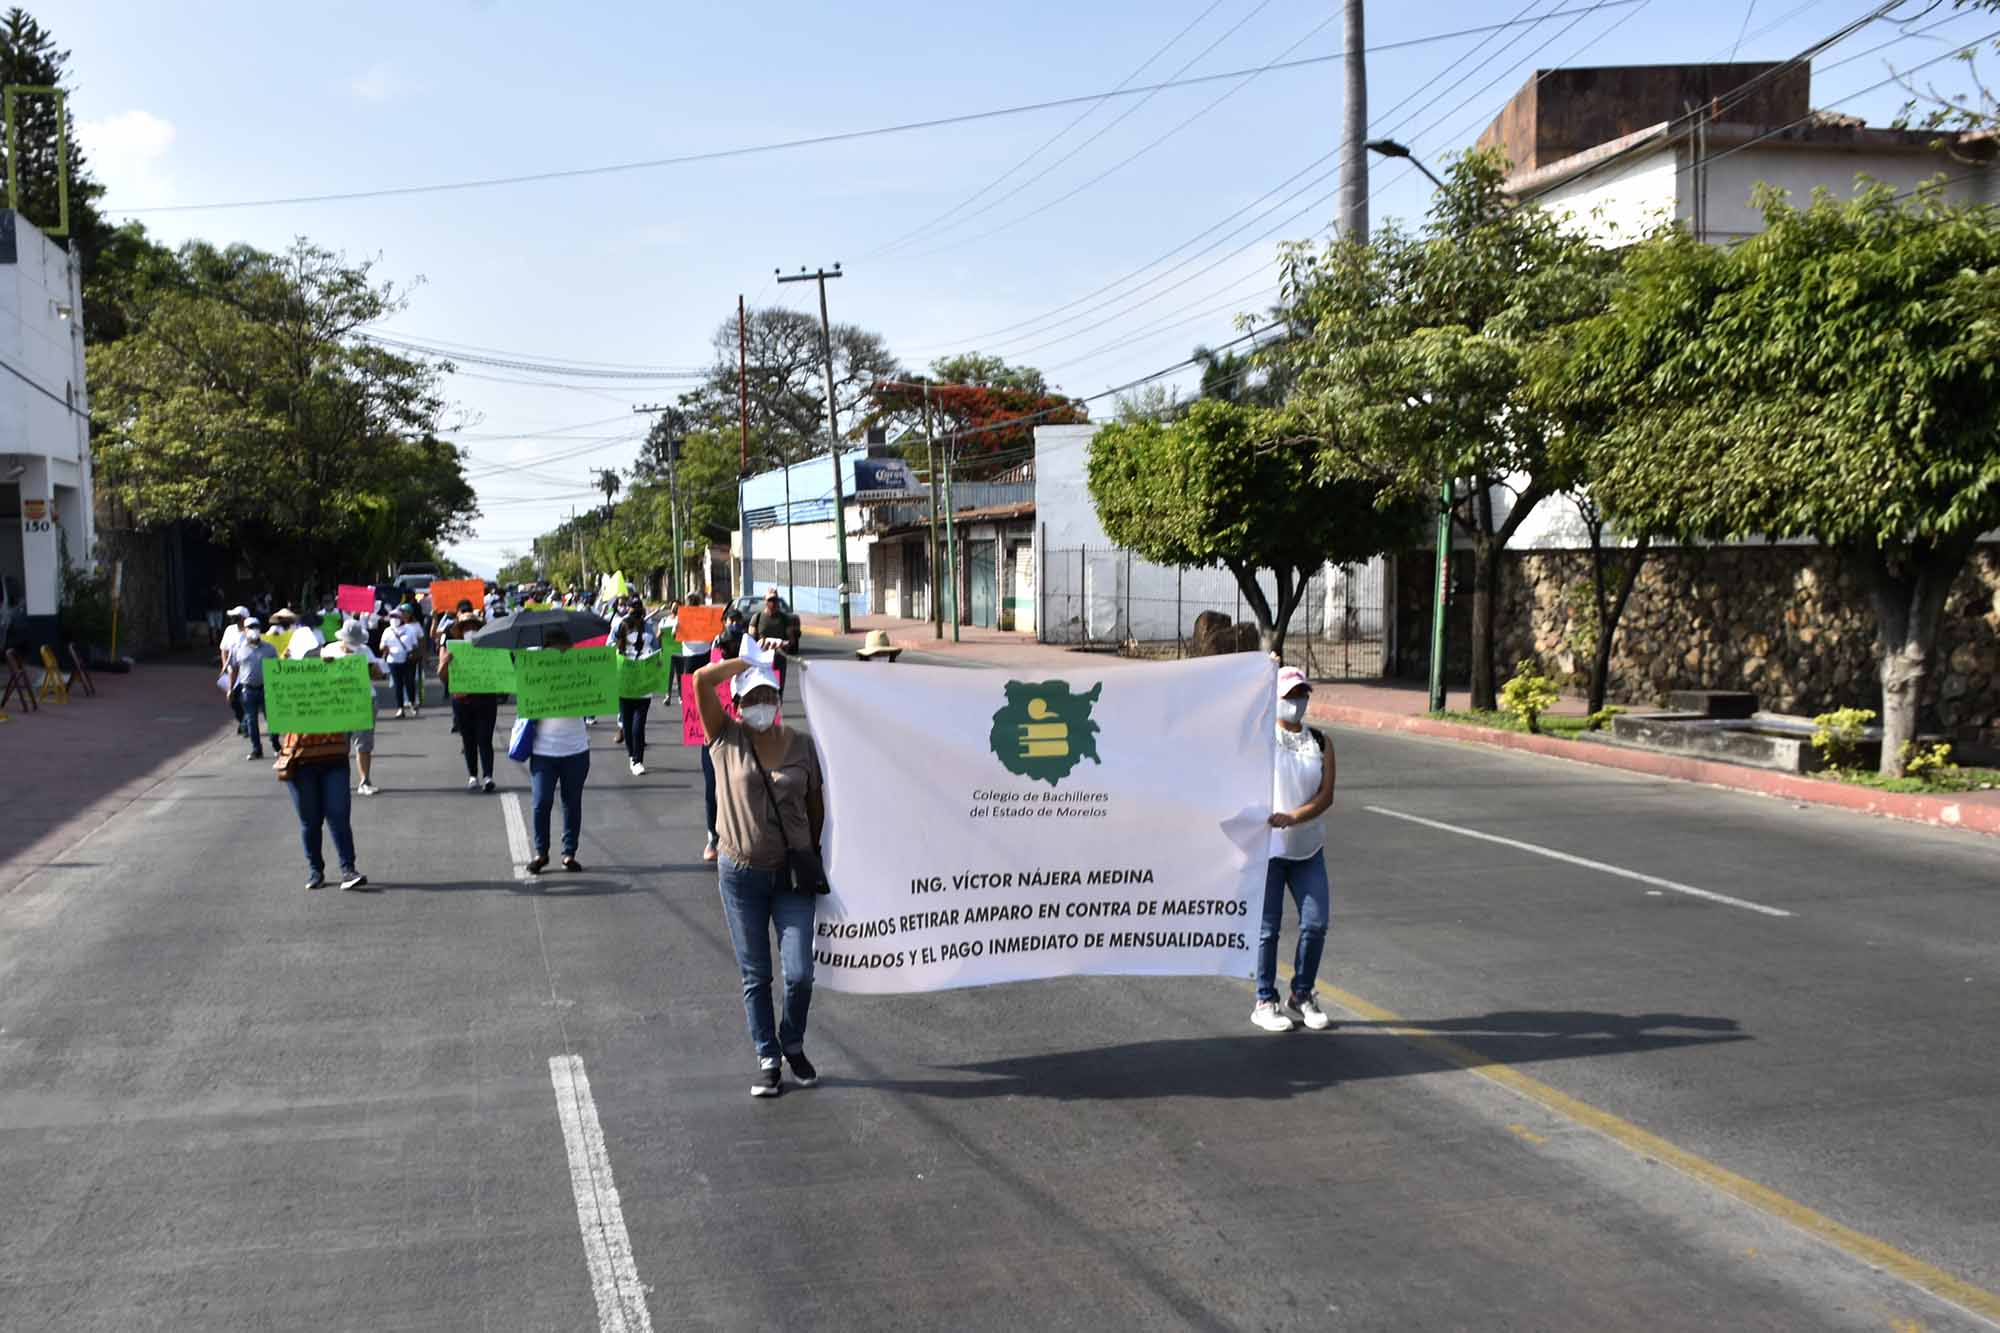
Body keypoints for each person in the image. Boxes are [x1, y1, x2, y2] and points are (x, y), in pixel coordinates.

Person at [693, 639, 825, 1099]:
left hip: (791, 877)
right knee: (757, 975)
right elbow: (699, 680)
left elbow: (816, 808)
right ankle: (768, 1057)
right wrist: (745, 662)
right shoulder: (724, 737)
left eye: (769, 696)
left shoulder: (803, 745)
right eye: (752, 698)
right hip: (741, 873)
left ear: (779, 699)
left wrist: (810, 856)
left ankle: (792, 1040)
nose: (762, 706)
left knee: (800, 973)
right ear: (738, 703)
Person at [1253, 665, 1338, 1034]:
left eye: (1302, 694)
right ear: (1276, 700)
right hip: (1269, 853)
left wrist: (1294, 816)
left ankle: (1301, 994)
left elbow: (1326, 796)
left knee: (1315, 924)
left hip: (1307, 850)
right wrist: (1261, 671)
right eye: (1290, 696)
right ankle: (1264, 1000)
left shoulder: (1320, 742)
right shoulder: (1261, 737)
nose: (1297, 702)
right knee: (1267, 931)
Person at [273, 694, 373, 893]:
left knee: (339, 816)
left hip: (334, 756)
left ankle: (348, 870)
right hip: (300, 759)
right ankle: (315, 871)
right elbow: (277, 703)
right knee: (310, 821)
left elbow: (360, 688)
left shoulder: (337, 666)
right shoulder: (289, 668)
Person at [525, 630, 591, 875]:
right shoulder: (535, 673)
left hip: (575, 749)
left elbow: (598, 695)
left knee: (571, 803)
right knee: (541, 802)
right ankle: (541, 853)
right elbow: (526, 702)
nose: (559, 652)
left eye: (563, 647)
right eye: (553, 648)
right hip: (543, 750)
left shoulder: (582, 671)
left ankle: (569, 853)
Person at [322, 619, 389, 796]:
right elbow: (318, 674)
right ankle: (339, 782)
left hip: (364, 700)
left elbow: (378, 676)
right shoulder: (330, 650)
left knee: (364, 744)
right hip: (339, 701)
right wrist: (325, 663)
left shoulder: (365, 651)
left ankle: (365, 780)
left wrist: (372, 667)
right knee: (339, 744)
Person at [439, 606, 500, 792]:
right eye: (465, 626)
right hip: (462, 700)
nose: (469, 629)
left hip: (486, 699)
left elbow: (500, 671)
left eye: (472, 625)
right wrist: (444, 663)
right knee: (468, 739)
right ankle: (473, 776)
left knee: (485, 738)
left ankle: (488, 776)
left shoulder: (489, 646)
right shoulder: (453, 649)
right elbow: (443, 677)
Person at [612, 602, 658, 775]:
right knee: (628, 726)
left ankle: (638, 760)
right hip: (624, 693)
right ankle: (632, 754)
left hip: (642, 693)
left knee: (638, 727)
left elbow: (655, 660)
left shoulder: (646, 646)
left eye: (634, 630)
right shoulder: (618, 651)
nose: (632, 634)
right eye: (628, 631)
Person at [227, 621, 278, 759]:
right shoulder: (238, 649)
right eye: (250, 627)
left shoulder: (270, 649)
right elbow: (234, 669)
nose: (253, 630)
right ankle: (256, 749)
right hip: (248, 690)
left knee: (272, 719)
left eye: (256, 627)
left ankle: (276, 746)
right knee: (251, 721)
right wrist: (230, 689)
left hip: (266, 688)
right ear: (245, 630)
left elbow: (276, 669)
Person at [379, 607, 424, 718]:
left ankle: (412, 704)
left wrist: (414, 654)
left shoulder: (409, 630)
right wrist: (384, 648)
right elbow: (381, 645)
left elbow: (414, 645)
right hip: (393, 661)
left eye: (396, 617)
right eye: (392, 617)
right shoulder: (387, 631)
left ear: (401, 618)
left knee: (409, 683)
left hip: (408, 660)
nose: (394, 619)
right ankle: (400, 708)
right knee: (398, 685)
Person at [218, 605, 251, 735]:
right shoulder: (230, 630)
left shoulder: (250, 630)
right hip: (232, 671)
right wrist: (224, 666)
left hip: (247, 670)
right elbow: (224, 649)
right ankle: (242, 720)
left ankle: (247, 724)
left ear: (243, 618)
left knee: (245, 699)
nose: (234, 620)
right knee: (233, 700)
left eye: (236, 617)